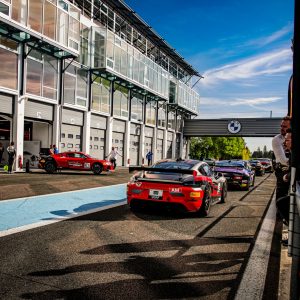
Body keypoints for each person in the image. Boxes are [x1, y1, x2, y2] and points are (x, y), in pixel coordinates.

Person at [272, 116, 291, 200]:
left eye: (285, 126)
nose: (282, 128)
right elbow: (282, 160)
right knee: (281, 199)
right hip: (282, 170)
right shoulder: (277, 139)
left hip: (291, 170)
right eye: (281, 126)